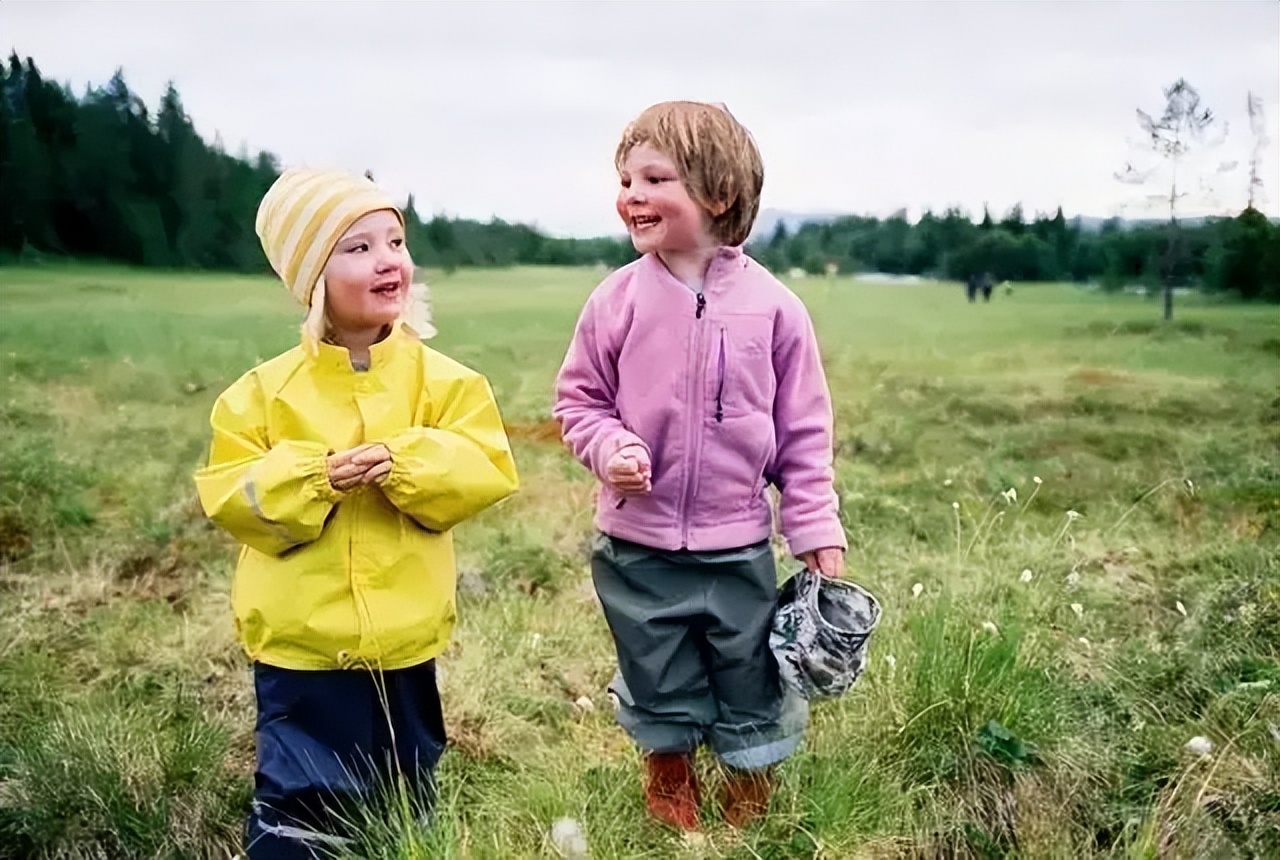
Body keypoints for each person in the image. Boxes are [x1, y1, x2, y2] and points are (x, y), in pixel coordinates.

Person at [194, 167, 519, 859]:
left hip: (404, 641)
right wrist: (312, 478)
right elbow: (232, 494)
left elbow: (483, 467)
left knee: (403, 788)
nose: (387, 260)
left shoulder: (447, 383)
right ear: (313, 277)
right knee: (303, 797)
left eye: (395, 242)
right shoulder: (261, 394)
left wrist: (407, 463)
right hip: (301, 644)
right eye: (358, 247)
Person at [553, 101, 846, 831]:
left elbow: (803, 432)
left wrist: (814, 526)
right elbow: (579, 402)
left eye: (655, 179)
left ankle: (750, 777)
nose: (632, 195)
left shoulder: (775, 309)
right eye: (626, 180)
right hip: (637, 543)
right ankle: (669, 768)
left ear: (718, 193)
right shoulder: (615, 300)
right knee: (654, 663)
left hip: (737, 543)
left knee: (748, 666)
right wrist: (609, 448)